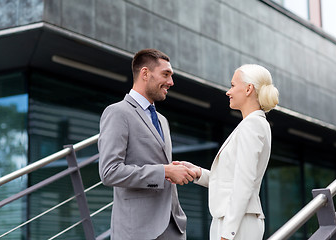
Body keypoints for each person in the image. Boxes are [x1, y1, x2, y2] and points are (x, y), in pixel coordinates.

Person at [98, 48, 196, 240]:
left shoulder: (162, 120)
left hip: (173, 227)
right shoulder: (118, 113)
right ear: (145, 73)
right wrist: (164, 171)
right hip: (138, 231)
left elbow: (158, 162)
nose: (171, 82)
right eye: (165, 74)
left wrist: (175, 170)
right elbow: (109, 172)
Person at [178, 64, 279, 240]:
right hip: (236, 220)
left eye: (232, 85)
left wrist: (228, 233)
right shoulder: (253, 124)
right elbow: (231, 180)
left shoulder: (252, 125)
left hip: (237, 224)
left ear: (248, 89)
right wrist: (198, 173)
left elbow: (244, 182)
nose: (228, 92)